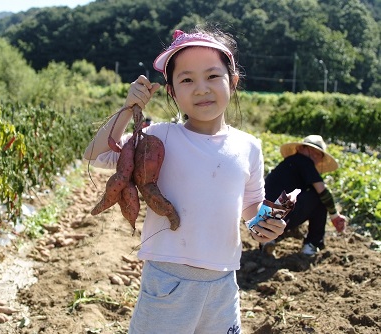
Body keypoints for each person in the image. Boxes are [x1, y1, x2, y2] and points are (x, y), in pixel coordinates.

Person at [84, 26, 286, 333]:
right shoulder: (158, 138)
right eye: (187, 79)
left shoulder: (249, 146)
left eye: (212, 76)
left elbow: (250, 207)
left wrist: (266, 225)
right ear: (172, 92)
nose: (201, 88)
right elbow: (95, 154)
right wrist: (128, 109)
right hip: (167, 281)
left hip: (224, 284)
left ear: (233, 82)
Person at [263, 135, 347, 256]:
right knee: (318, 198)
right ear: (300, 149)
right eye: (311, 150)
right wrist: (334, 216)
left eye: (318, 154)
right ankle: (312, 244)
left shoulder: (288, 164)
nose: (314, 155)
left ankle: (268, 236)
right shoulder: (304, 161)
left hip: (260, 217)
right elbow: (322, 191)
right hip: (277, 215)